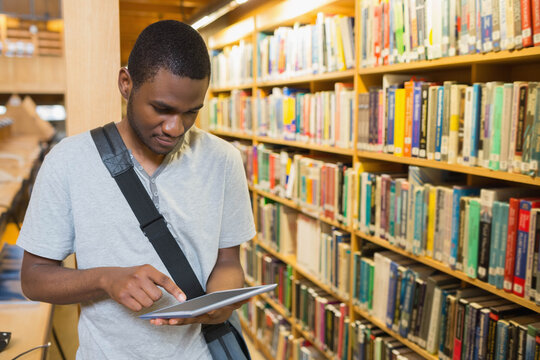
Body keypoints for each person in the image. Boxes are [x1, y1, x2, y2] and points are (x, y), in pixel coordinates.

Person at [18, 20, 255, 359]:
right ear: (126, 84)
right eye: (162, 109)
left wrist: (221, 301)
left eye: (191, 112)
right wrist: (105, 280)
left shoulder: (223, 161)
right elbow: (34, 278)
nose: (175, 128)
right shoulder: (68, 162)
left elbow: (229, 260)